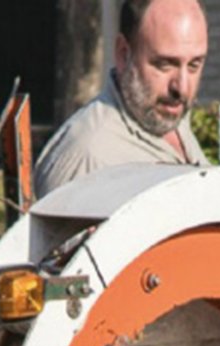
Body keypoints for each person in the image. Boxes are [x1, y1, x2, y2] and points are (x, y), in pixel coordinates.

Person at [34, 0, 209, 198]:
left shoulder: (164, 115)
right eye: (165, 65)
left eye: (194, 65)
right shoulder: (88, 157)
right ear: (123, 54)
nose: (182, 88)